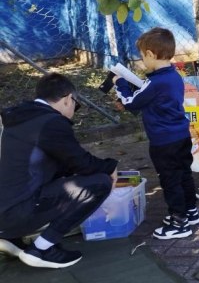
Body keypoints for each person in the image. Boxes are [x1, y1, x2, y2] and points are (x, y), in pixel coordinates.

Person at [0, 73, 117, 269]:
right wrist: (110, 167)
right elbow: (81, 163)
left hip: (6, 208)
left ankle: (12, 238)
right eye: (75, 105)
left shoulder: (22, 117)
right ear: (67, 99)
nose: (73, 109)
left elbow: (63, 163)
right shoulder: (50, 122)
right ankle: (41, 249)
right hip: (18, 211)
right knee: (100, 182)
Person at [113, 27, 199, 240]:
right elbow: (151, 100)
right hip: (181, 136)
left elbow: (131, 102)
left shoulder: (155, 82)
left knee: (170, 179)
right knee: (183, 173)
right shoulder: (173, 76)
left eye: (142, 56)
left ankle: (179, 223)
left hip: (163, 141)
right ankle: (190, 211)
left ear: (151, 54)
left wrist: (120, 84)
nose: (142, 61)